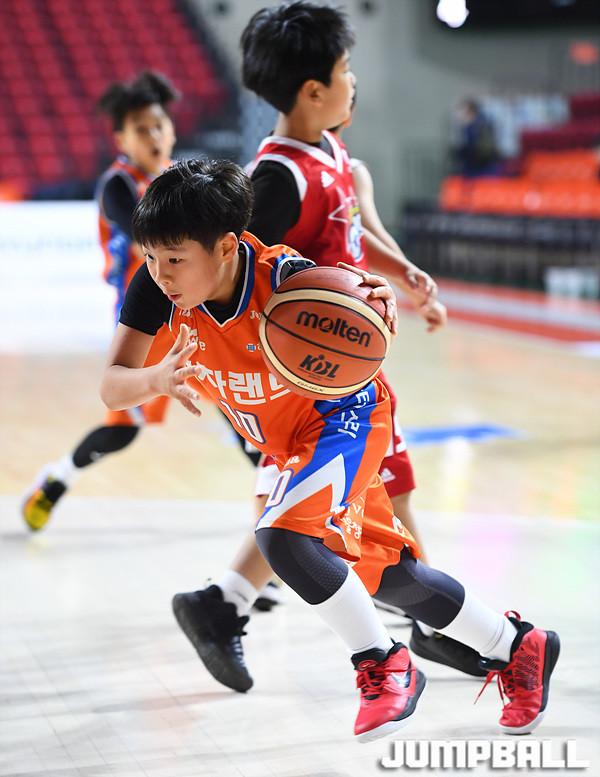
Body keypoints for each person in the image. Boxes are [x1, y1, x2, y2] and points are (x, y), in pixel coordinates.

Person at [101, 157, 559, 742]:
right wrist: (156, 379)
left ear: (227, 246)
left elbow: (356, 310)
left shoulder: (287, 279)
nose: (160, 273)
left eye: (174, 259)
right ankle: (518, 645)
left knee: (281, 536)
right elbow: (112, 384)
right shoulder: (155, 290)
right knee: (389, 576)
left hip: (346, 417)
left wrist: (376, 305)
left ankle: (383, 662)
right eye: (151, 258)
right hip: (288, 442)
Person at [170, 1, 481, 694]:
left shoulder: (332, 153)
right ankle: (431, 622)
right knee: (346, 499)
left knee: (354, 495)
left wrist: (405, 273)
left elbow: (355, 235)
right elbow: (237, 272)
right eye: (346, 69)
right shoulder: (275, 179)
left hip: (341, 367)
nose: (354, 80)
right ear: (313, 90)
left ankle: (223, 603)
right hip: (306, 378)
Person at [21, 71, 179, 531]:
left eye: (159, 125)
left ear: (171, 129)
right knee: (123, 430)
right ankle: (57, 478)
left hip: (193, 312)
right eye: (141, 129)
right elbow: (145, 239)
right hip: (144, 320)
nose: (153, 135)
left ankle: (277, 523)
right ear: (121, 139)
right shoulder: (118, 184)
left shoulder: (180, 177)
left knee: (240, 408)